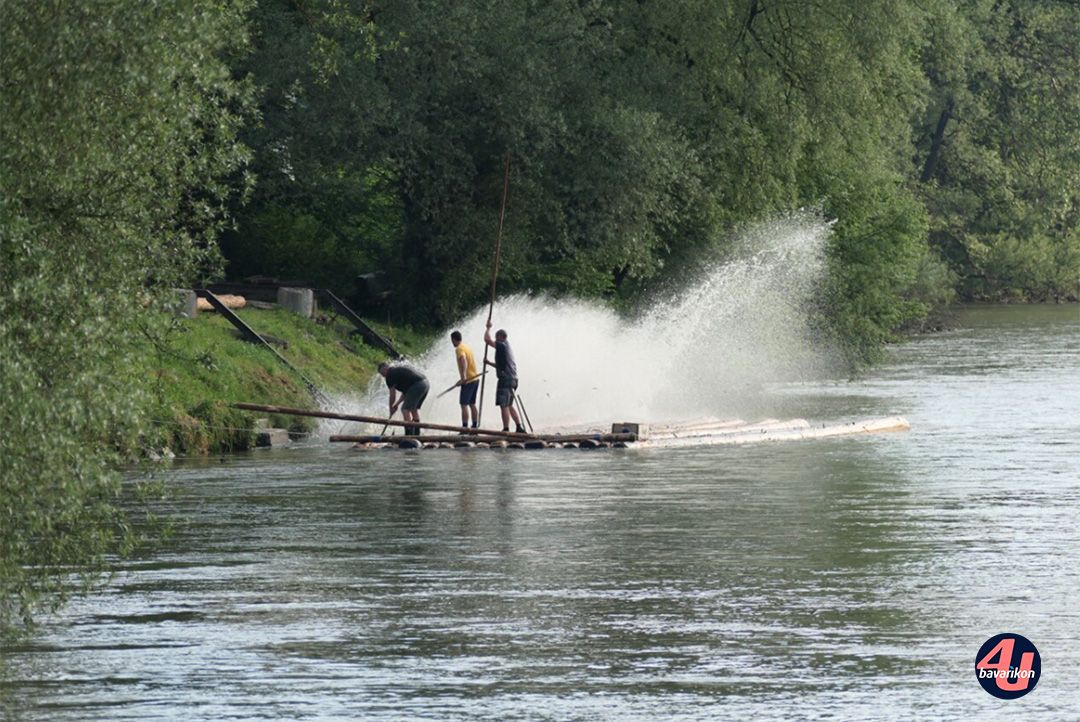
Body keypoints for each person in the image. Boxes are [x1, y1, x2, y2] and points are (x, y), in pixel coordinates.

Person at [483, 320, 525, 433]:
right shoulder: (507, 347)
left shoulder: (502, 345)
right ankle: (519, 426)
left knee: (503, 405)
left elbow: (487, 340)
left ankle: (506, 429)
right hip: (513, 379)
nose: (495, 339)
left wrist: (488, 328)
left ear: (501, 337)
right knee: (509, 404)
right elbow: (501, 365)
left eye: (497, 337)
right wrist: (488, 363)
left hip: (505, 380)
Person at [377, 361, 429, 436]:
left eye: (382, 374)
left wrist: (390, 408)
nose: (383, 376)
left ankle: (409, 435)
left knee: (405, 409)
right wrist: (396, 404)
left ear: (385, 369)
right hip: (425, 384)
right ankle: (417, 434)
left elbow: (392, 395)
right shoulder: (397, 372)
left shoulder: (390, 375)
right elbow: (406, 393)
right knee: (413, 409)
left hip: (417, 386)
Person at [450, 330, 479, 429]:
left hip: (468, 380)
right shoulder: (467, 347)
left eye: (452, 340)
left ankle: (465, 428)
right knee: (472, 403)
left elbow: (463, 360)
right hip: (475, 378)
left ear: (454, 339)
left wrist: (463, 378)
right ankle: (475, 426)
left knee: (464, 404)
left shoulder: (459, 349)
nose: (452, 343)